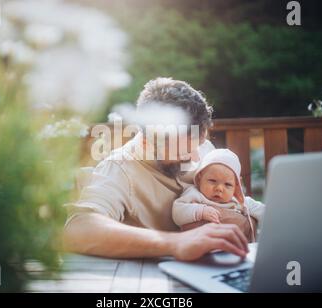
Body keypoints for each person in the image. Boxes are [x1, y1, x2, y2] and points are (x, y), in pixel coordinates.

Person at [63, 77, 250, 261]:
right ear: (146, 143)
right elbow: (78, 229)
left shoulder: (201, 149)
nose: (196, 157)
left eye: (199, 143)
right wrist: (174, 243)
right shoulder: (120, 168)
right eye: (182, 151)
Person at [172, 149, 265, 242]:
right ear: (200, 178)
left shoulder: (239, 200)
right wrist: (200, 211)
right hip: (200, 246)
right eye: (212, 181)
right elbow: (177, 211)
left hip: (233, 248)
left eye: (228, 184)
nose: (219, 188)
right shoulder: (195, 194)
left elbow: (266, 212)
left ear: (236, 186)